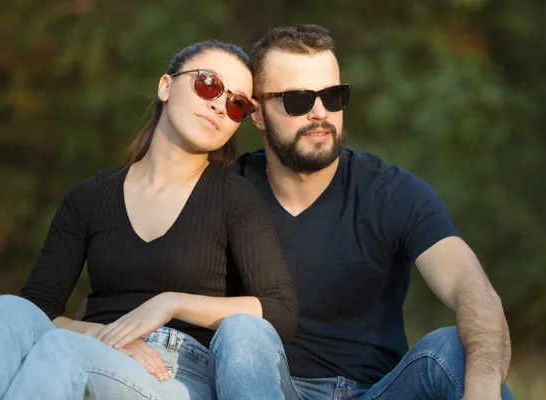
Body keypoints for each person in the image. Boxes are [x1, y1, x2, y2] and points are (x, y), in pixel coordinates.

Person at [210, 25, 515, 400]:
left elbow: (471, 286)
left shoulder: (390, 192)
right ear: (256, 114)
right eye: (298, 101)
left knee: (453, 347)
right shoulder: (226, 193)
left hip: (380, 391)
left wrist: (482, 389)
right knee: (241, 333)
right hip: (273, 388)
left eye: (333, 96)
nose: (320, 113)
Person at [0, 40, 297, 400]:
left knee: (60, 350)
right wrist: (105, 337)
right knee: (6, 311)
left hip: (177, 372)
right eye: (208, 84)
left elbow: (280, 310)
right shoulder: (89, 196)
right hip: (93, 352)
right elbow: (39, 312)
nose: (218, 105)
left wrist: (170, 302)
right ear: (166, 86)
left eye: (236, 104)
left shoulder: (234, 196)